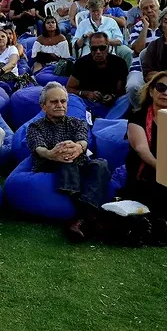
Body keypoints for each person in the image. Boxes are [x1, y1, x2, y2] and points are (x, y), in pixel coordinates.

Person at [26, 82, 110, 242]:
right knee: (67, 160)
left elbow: (83, 141)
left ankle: (82, 218)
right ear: (43, 106)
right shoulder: (35, 127)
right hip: (50, 164)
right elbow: (39, 149)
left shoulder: (76, 122)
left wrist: (78, 147)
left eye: (63, 101)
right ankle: (90, 218)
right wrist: (52, 153)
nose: (59, 105)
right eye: (54, 102)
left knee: (101, 164)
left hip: (78, 160)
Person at [124, 71, 167, 245]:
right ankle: (153, 224)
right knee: (156, 179)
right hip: (145, 168)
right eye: (161, 88)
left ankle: (159, 224)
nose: (166, 93)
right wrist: (163, 168)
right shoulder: (138, 116)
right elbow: (142, 149)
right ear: (151, 91)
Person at [67, 32, 128, 115]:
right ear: (90, 48)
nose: (98, 52)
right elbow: (69, 89)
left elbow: (121, 90)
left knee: (127, 99)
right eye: (94, 48)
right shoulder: (81, 63)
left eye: (102, 48)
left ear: (108, 47)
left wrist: (112, 96)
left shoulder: (119, 63)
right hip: (87, 104)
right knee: (71, 99)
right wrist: (87, 94)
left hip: (114, 105)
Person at [73, 0, 131, 66]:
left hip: (108, 51)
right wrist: (84, 37)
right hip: (89, 51)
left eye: (98, 11)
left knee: (127, 53)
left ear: (103, 9)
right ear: (89, 10)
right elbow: (76, 45)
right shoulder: (83, 23)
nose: (96, 14)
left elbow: (119, 41)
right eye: (93, 11)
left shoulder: (110, 21)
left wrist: (104, 42)